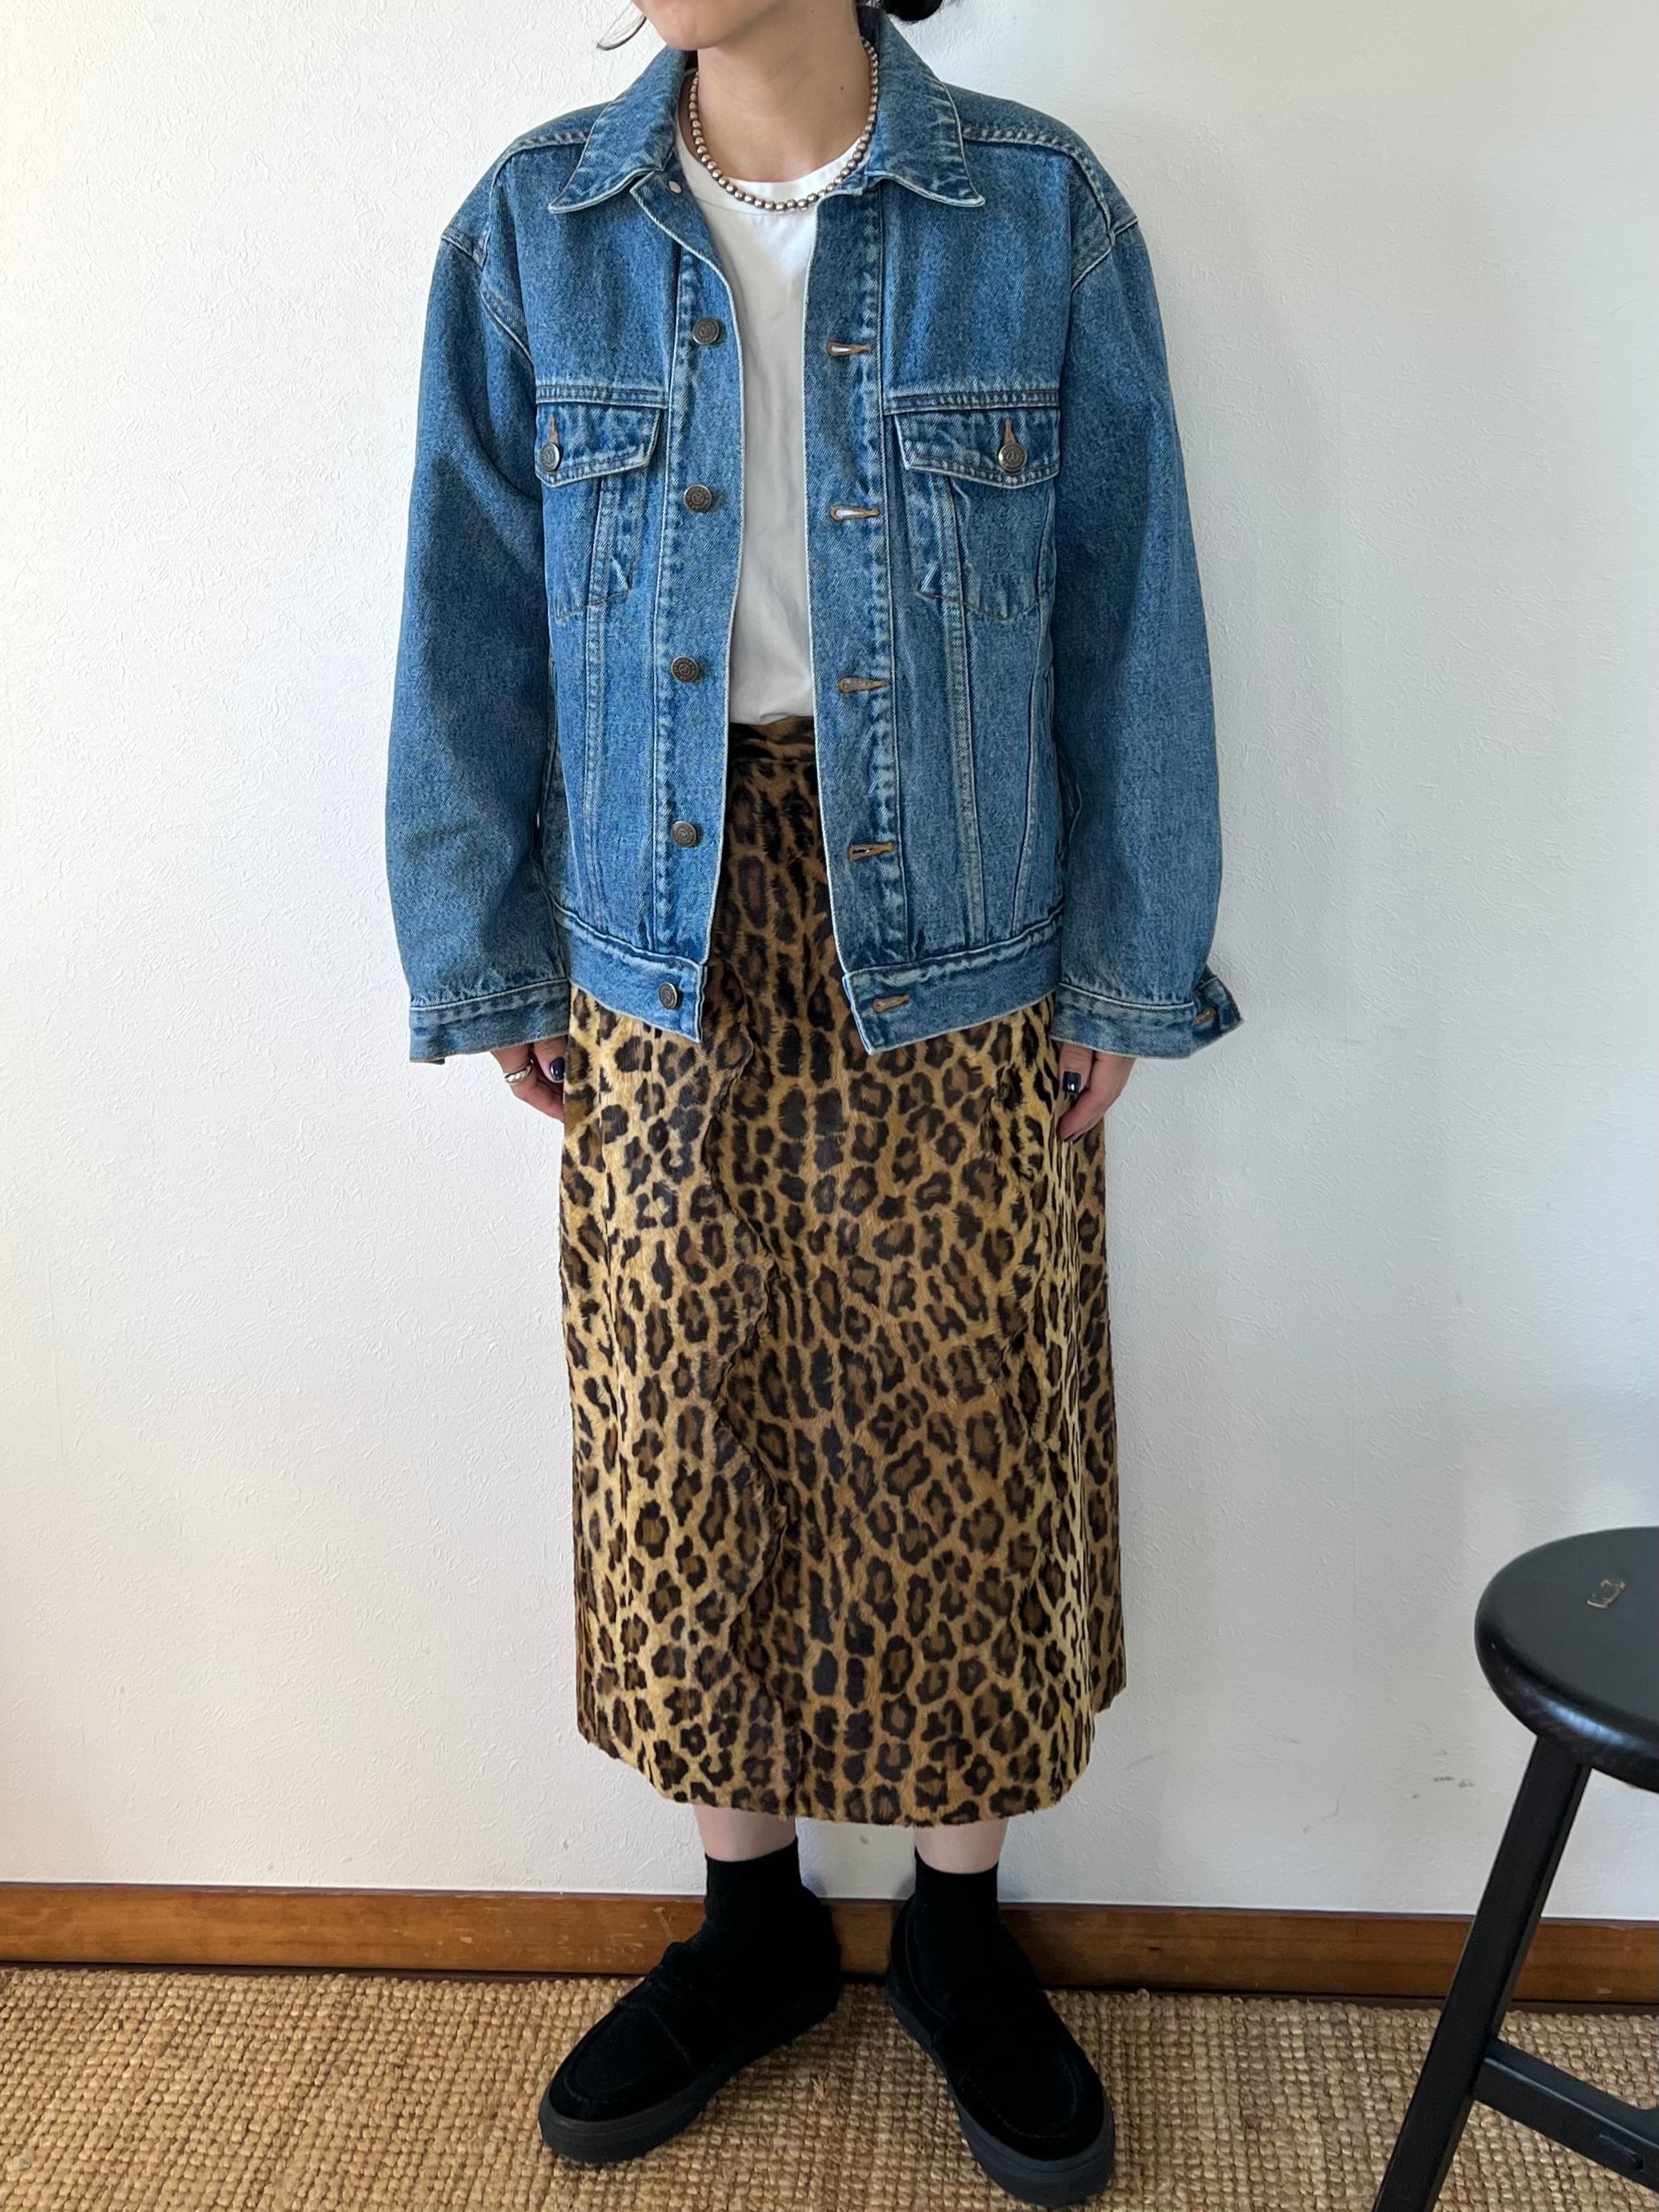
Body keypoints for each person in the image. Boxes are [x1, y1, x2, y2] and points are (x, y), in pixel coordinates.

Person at [384, 0, 1239, 2200]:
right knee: (687, 1415)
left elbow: (1131, 599)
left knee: (962, 1422)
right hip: (653, 928)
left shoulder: (1032, 210)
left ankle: (956, 1928)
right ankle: (750, 1919)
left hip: (960, 917)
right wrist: (486, 948)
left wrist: (1129, 958)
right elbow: (467, 609)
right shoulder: (534, 230)